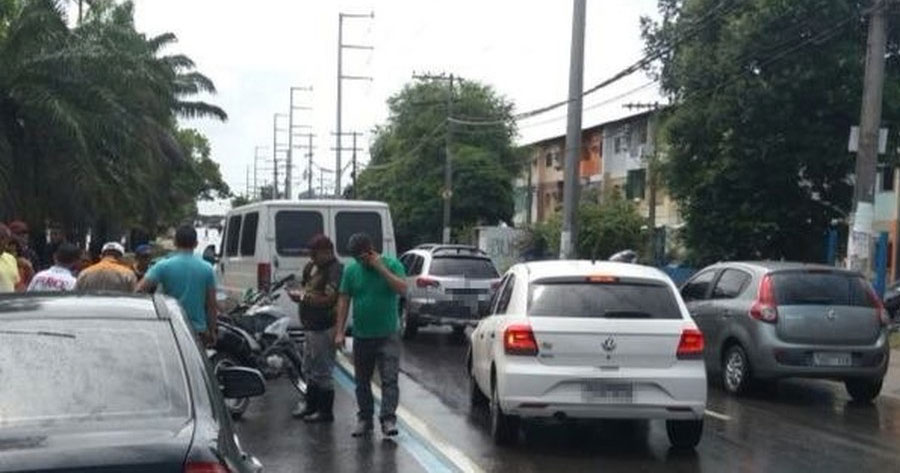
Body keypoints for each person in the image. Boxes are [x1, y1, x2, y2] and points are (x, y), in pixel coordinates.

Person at [334, 233, 408, 438]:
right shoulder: (351, 271)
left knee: (389, 379)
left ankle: (388, 419)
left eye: (363, 257)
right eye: (356, 258)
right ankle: (365, 419)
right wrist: (340, 331)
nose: (360, 261)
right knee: (362, 381)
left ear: (371, 250)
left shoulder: (392, 264)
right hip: (362, 335)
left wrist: (380, 268)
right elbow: (344, 300)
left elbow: (402, 289)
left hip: (387, 334)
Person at [289, 235, 343, 423]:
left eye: (315, 254)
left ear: (327, 252)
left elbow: (330, 299)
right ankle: (311, 405)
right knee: (309, 368)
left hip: (324, 326)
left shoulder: (335, 270)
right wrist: (298, 293)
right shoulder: (312, 267)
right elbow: (306, 287)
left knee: (323, 370)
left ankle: (325, 411)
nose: (312, 258)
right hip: (310, 326)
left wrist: (304, 299)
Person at [137, 225, 218, 346]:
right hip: (197, 331)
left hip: (170, 328)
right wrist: (212, 330)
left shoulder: (162, 266)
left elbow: (139, 291)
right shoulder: (207, 269)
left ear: (175, 243)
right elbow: (212, 305)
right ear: (196, 244)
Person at [0, 224, 21, 293]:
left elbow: (16, 284)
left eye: (7, 240)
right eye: (3, 239)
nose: (6, 245)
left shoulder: (11, 259)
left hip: (10, 302)